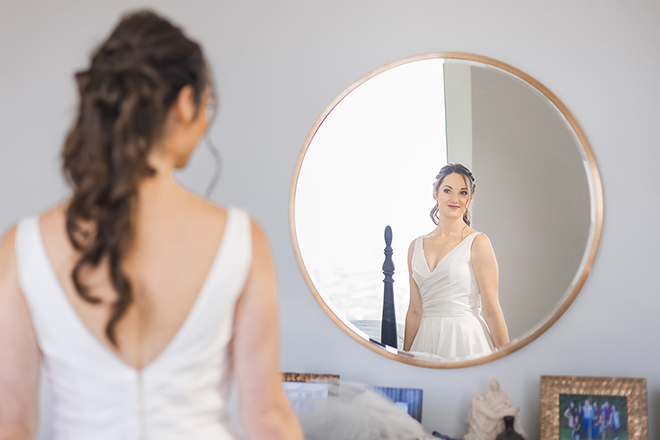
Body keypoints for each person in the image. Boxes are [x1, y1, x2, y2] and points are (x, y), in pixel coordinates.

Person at [0, 10, 303, 440]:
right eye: (206, 105)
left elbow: (11, 424)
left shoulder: (22, 247)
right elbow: (268, 417)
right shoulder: (241, 239)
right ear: (184, 103)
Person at [403, 163, 510, 359]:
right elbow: (414, 310)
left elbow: (491, 308)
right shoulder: (415, 246)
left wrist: (508, 356)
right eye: (447, 190)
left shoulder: (478, 242)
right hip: (425, 340)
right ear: (435, 193)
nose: (454, 199)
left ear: (469, 198)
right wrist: (404, 358)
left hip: (465, 339)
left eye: (462, 193)